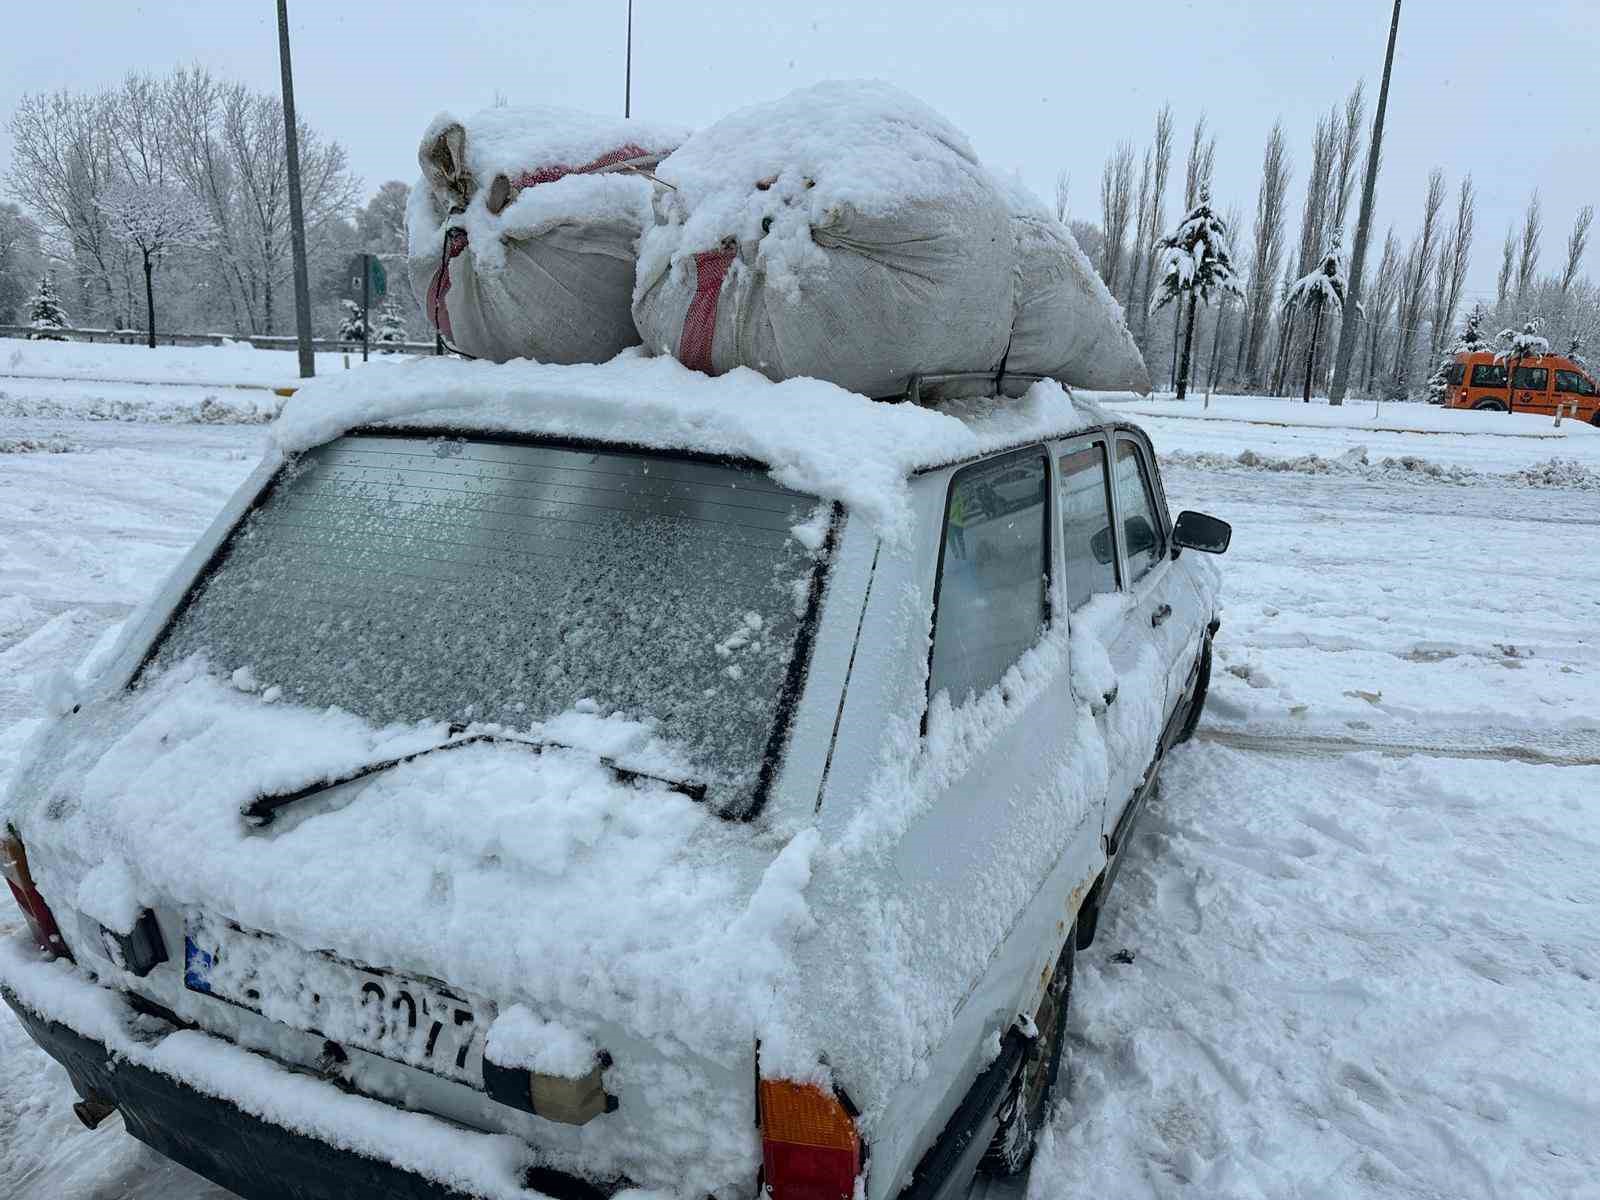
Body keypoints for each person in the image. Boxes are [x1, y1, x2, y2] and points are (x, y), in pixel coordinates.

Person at [947, 489, 970, 559]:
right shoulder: (957, 495)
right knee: (956, 540)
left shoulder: (957, 494)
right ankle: (959, 555)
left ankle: (960, 555)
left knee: (955, 540)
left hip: (954, 523)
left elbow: (962, 509)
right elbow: (962, 509)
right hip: (955, 523)